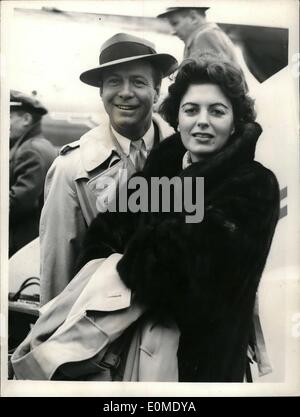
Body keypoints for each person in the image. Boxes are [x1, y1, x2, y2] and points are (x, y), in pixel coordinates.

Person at [78, 55, 280, 382]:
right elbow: (100, 239)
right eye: (191, 110)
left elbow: (182, 281)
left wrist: (131, 257)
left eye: (217, 111)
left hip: (203, 370)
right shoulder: (165, 166)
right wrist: (141, 257)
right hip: (132, 357)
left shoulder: (253, 186)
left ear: (235, 121)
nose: (202, 121)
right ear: (177, 116)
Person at [39, 33, 177, 305]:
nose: (125, 92)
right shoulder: (71, 169)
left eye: (138, 81)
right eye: (114, 81)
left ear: (156, 90)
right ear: (101, 91)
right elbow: (58, 272)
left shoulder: (187, 158)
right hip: (101, 330)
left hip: (168, 327)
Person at [9, 90, 57, 257]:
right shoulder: (38, 145)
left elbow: (19, 203)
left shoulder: (30, 151)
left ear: (26, 119)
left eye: (8, 117)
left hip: (21, 245)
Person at [157, 6, 238, 63]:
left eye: (175, 23)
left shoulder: (205, 36)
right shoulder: (210, 33)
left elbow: (210, 80)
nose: (173, 32)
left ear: (193, 18)